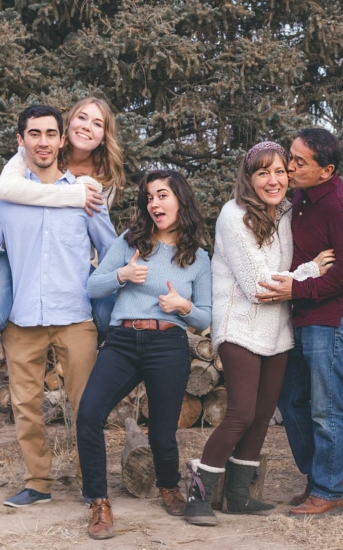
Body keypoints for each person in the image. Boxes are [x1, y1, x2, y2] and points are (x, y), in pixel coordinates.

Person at [183, 142, 334, 526]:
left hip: (277, 328)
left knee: (264, 414)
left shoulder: (285, 212)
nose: (273, 180)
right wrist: (310, 271)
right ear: (248, 178)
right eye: (263, 172)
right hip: (239, 325)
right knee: (241, 412)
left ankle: (237, 496)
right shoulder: (233, 216)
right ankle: (197, 493)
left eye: (280, 171)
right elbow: (257, 286)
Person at [77, 170, 212, 539]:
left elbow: (205, 315)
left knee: (164, 431)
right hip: (123, 341)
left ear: (180, 200)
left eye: (162, 195)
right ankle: (99, 502)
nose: (154, 203)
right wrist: (122, 274)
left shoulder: (197, 258)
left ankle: (169, 486)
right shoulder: (130, 241)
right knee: (89, 414)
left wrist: (183, 306)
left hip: (168, 344)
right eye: (149, 197)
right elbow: (93, 285)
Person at [0, 105, 118, 507]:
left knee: (87, 406)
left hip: (75, 316)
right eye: (34, 134)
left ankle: (92, 483)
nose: (44, 141)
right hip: (23, 318)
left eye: (51, 133)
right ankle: (37, 483)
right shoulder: (8, 197)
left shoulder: (87, 193)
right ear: (21, 140)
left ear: (62, 139)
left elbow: (111, 251)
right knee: (26, 407)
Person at [259, 128, 343, 517]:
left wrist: (296, 290)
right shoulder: (301, 197)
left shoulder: (340, 207)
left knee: (326, 407)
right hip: (303, 317)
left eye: (299, 162)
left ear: (327, 170)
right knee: (291, 400)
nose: (289, 166)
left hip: (332, 320)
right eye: (292, 156)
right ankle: (317, 475)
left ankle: (329, 489)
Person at [0, 96, 126, 336]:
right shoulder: (39, 151)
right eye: (82, 117)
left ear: (104, 136)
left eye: (97, 124)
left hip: (73, 260)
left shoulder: (104, 178)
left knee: (105, 313)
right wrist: (74, 194)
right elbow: (5, 189)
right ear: (66, 127)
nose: (87, 126)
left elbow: (102, 237)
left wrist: (108, 278)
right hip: (23, 253)